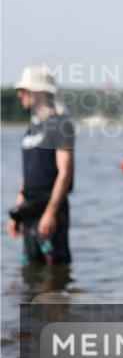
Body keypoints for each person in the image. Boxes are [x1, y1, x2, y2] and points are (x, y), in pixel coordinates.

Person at [7, 66, 75, 268]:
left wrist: (50, 213)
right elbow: (27, 176)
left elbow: (64, 173)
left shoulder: (61, 125)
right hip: (29, 211)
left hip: (50, 209)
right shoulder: (31, 129)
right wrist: (17, 212)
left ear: (40, 91)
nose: (19, 94)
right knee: (31, 270)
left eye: (24, 90)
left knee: (55, 272)